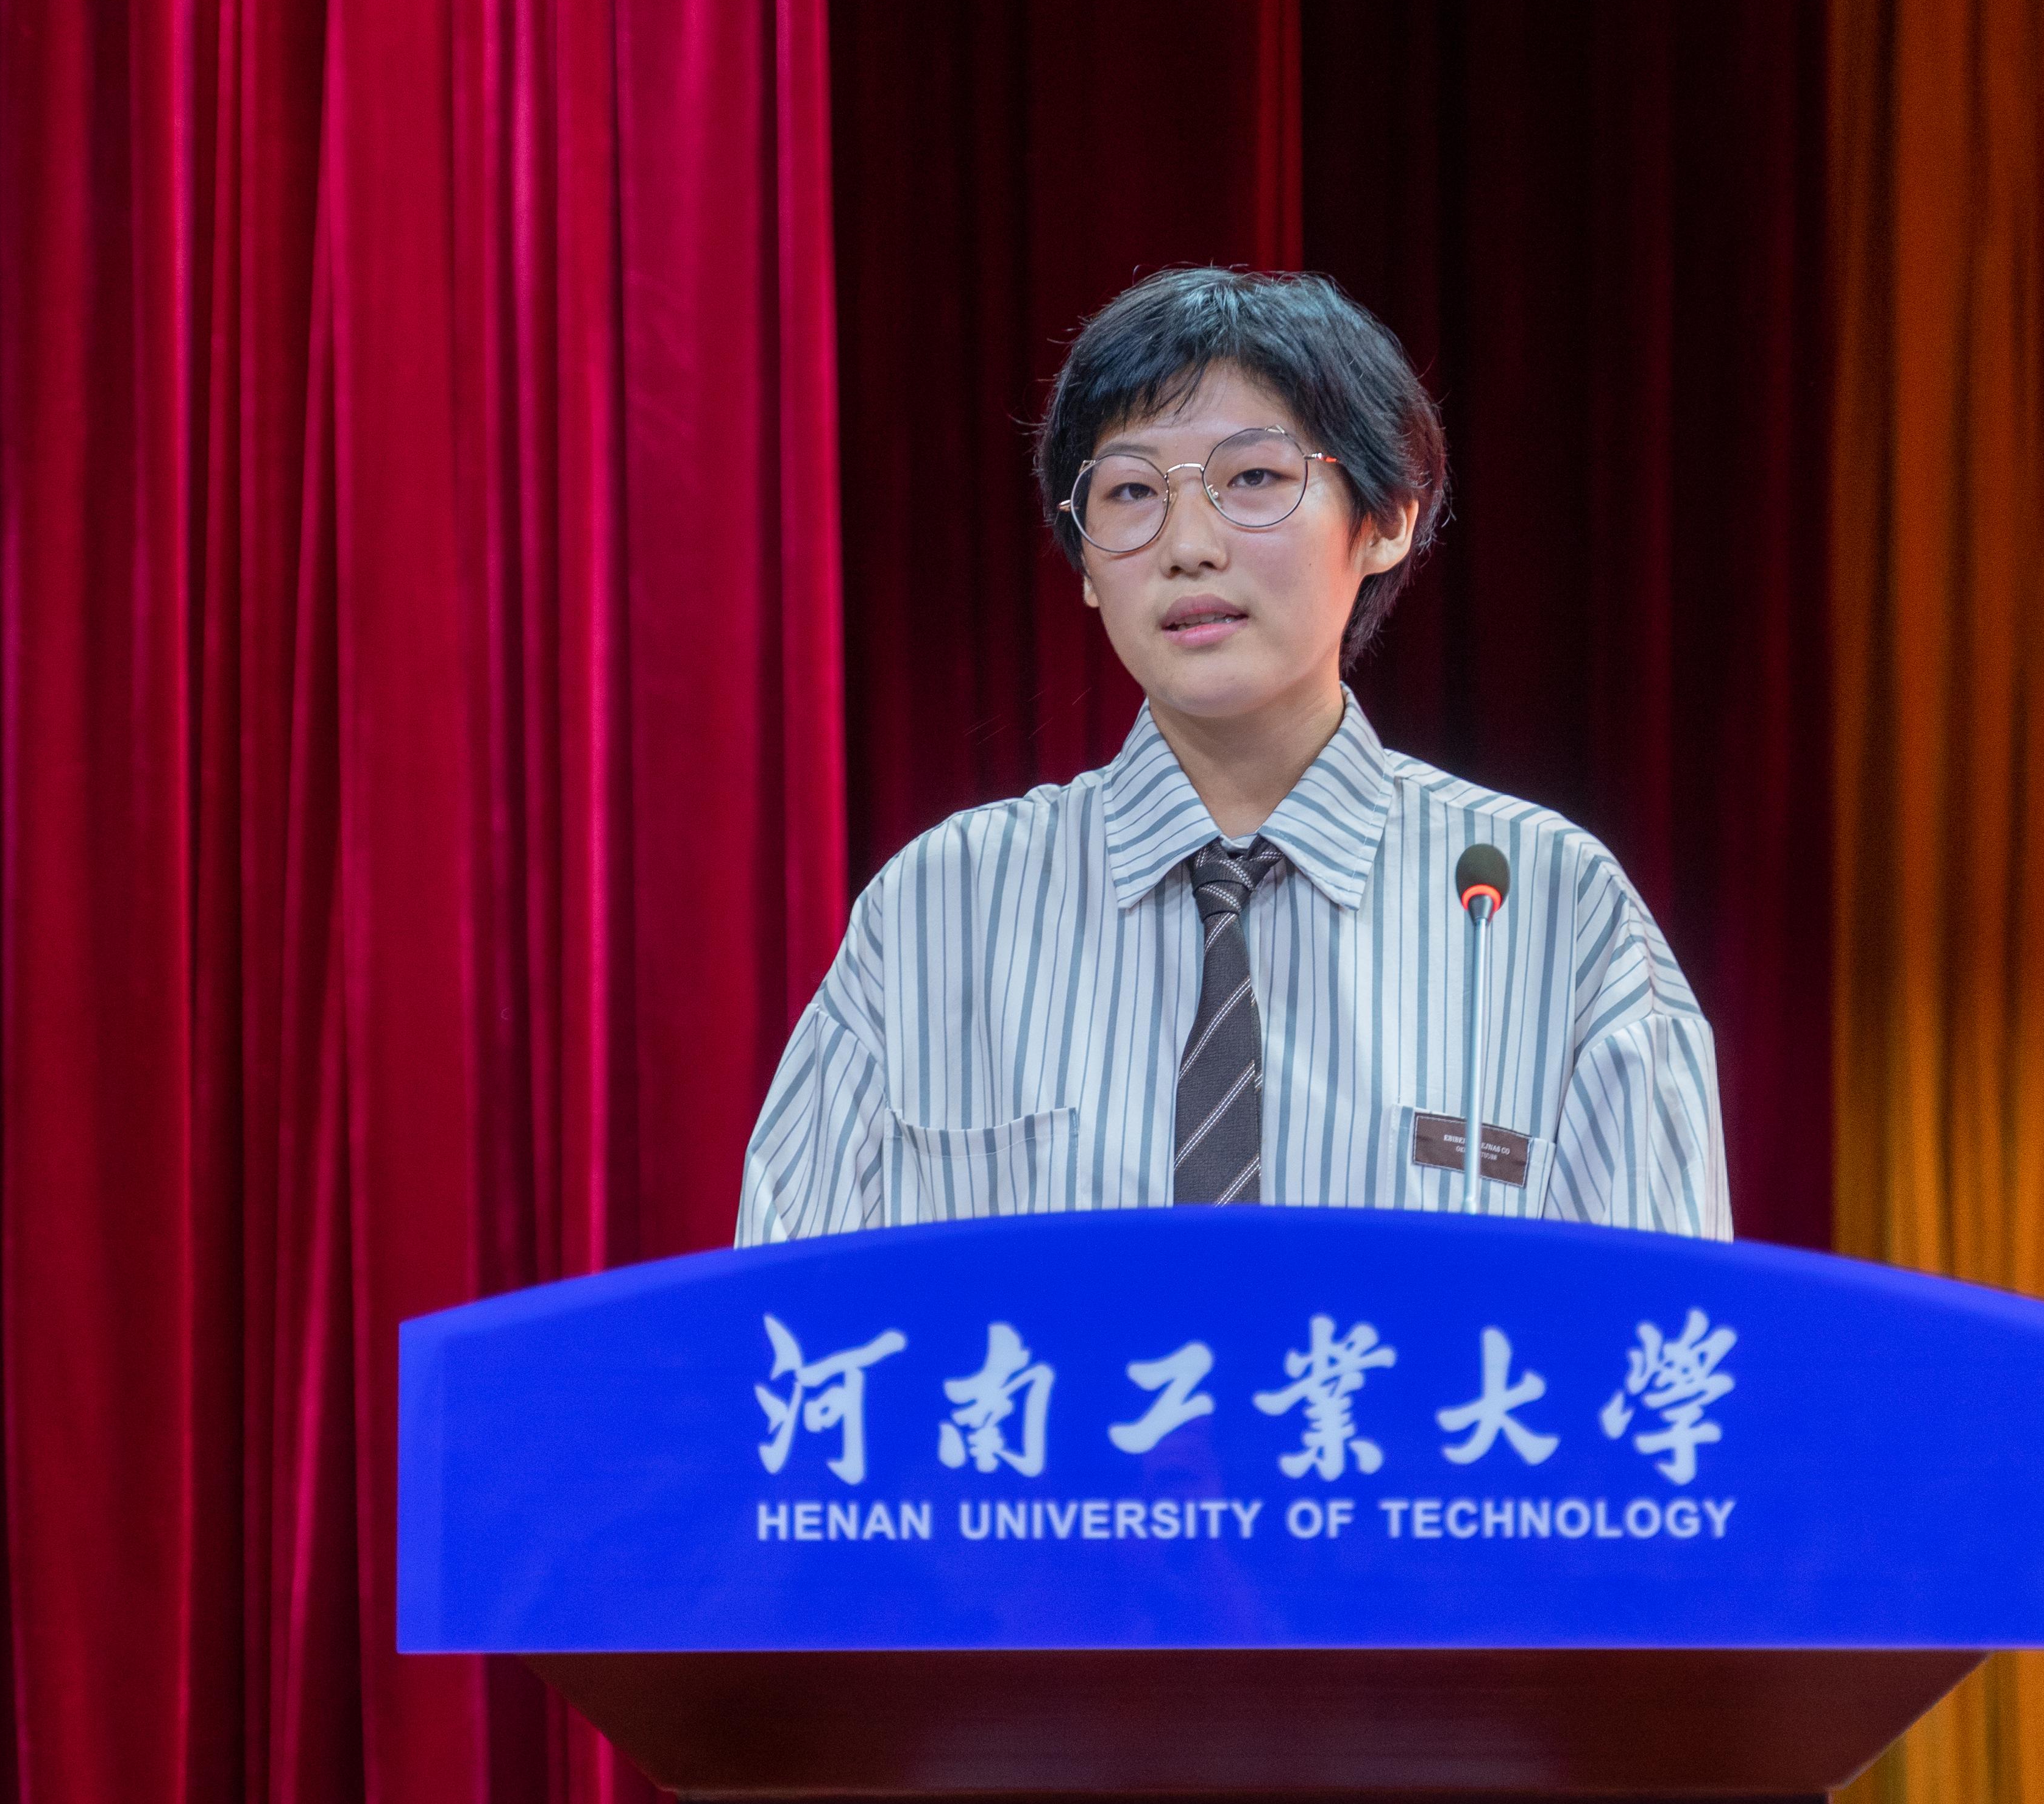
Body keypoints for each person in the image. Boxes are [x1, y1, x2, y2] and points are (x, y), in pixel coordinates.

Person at [735, 267, 1730, 1243]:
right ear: (1085, 564)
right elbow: (777, 1316)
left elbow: (1670, 1329)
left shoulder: (1552, 905)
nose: (1188, 544)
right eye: (1132, 491)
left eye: (1253, 478)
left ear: (1386, 519)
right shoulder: (938, 910)